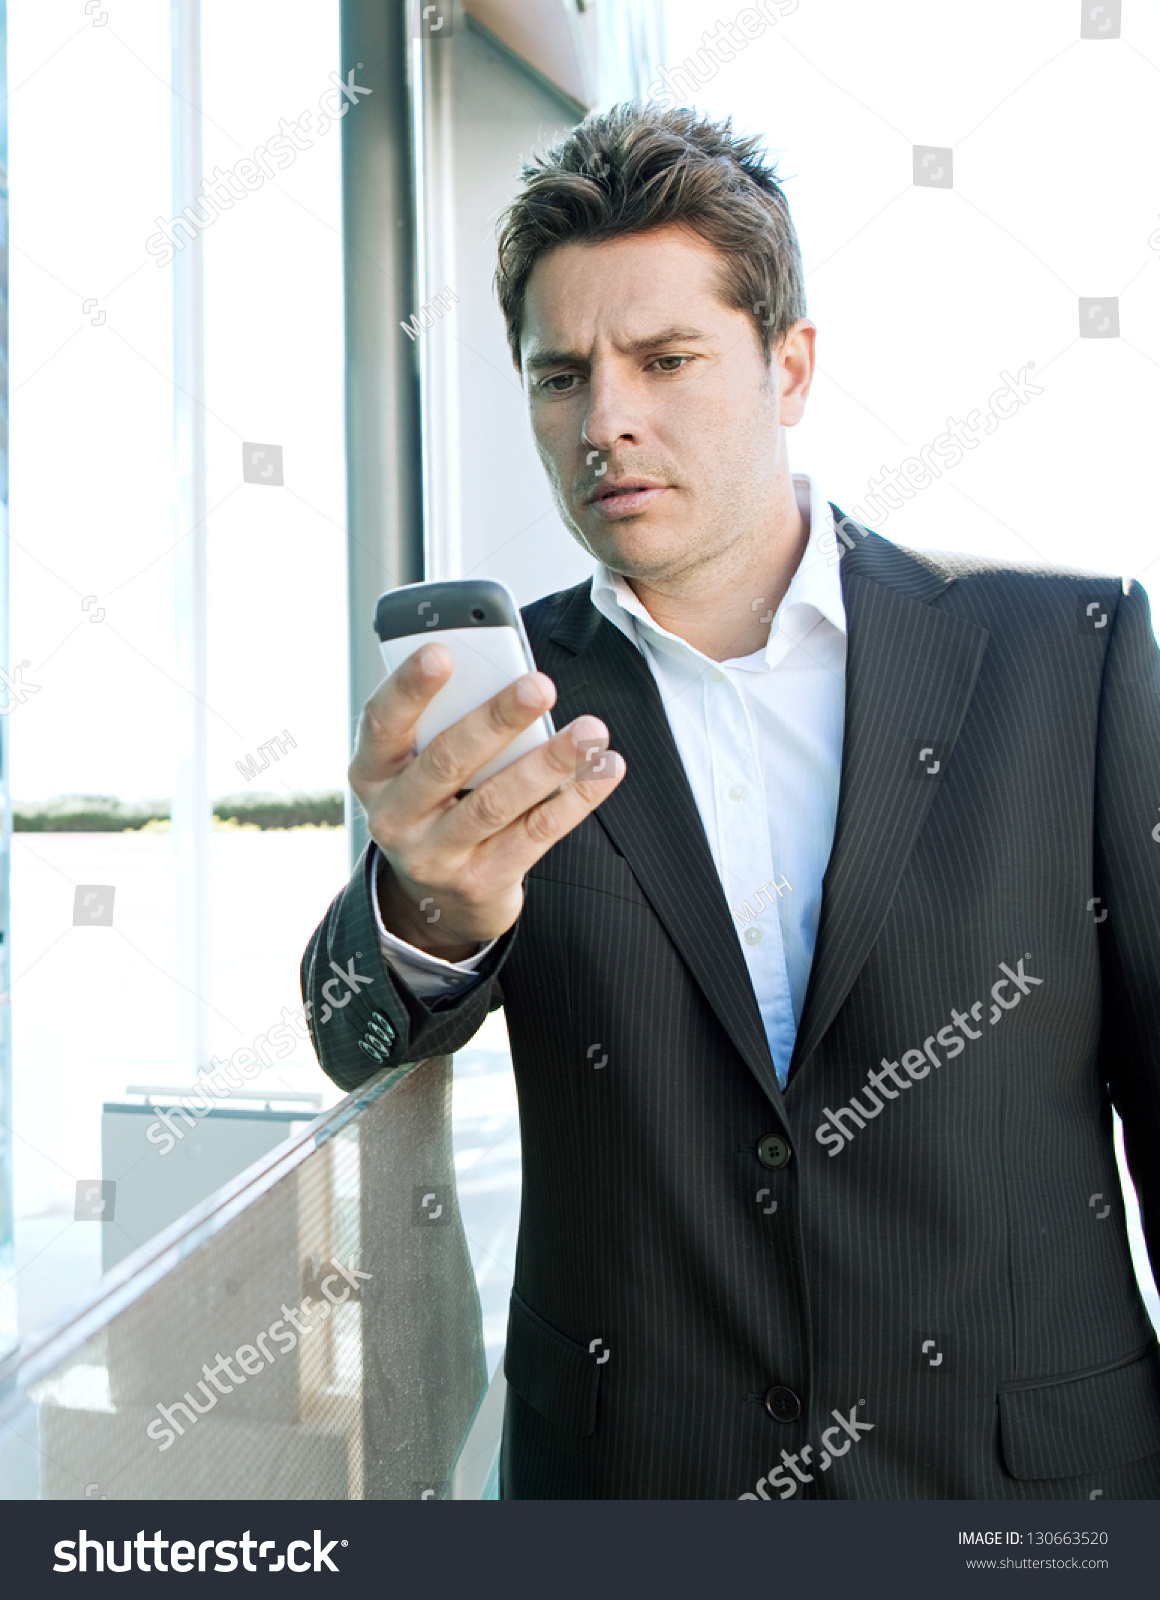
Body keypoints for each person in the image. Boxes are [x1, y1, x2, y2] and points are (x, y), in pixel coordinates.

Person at [302, 102, 1160, 1499]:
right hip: (643, 1486)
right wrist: (428, 911)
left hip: (1022, 1493)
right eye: (559, 376)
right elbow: (350, 1034)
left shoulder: (1068, 655)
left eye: (666, 358)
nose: (609, 418)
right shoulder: (497, 704)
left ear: (792, 365)